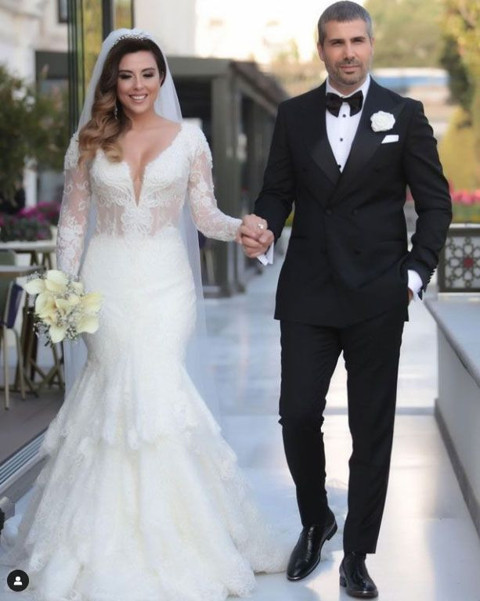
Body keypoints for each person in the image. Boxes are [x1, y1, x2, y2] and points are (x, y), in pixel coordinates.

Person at [0, 29, 287, 601]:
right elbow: (72, 224)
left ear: (161, 79)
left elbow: (204, 215)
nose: (137, 85)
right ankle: (104, 539)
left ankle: (180, 538)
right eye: (127, 75)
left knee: (155, 389)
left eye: (147, 75)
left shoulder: (190, 141)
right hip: (105, 285)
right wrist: (64, 292)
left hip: (166, 286)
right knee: (117, 391)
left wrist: (242, 228)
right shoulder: (89, 141)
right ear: (113, 81)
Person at [240, 1, 452, 598]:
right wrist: (264, 227)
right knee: (298, 413)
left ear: (370, 44)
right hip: (308, 290)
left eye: (357, 40)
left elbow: (435, 203)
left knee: (371, 426)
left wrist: (415, 273)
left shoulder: (404, 115)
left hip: (378, 293)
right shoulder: (294, 114)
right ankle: (316, 519)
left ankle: (357, 552)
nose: (348, 52)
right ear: (321, 50)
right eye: (337, 42)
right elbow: (277, 190)